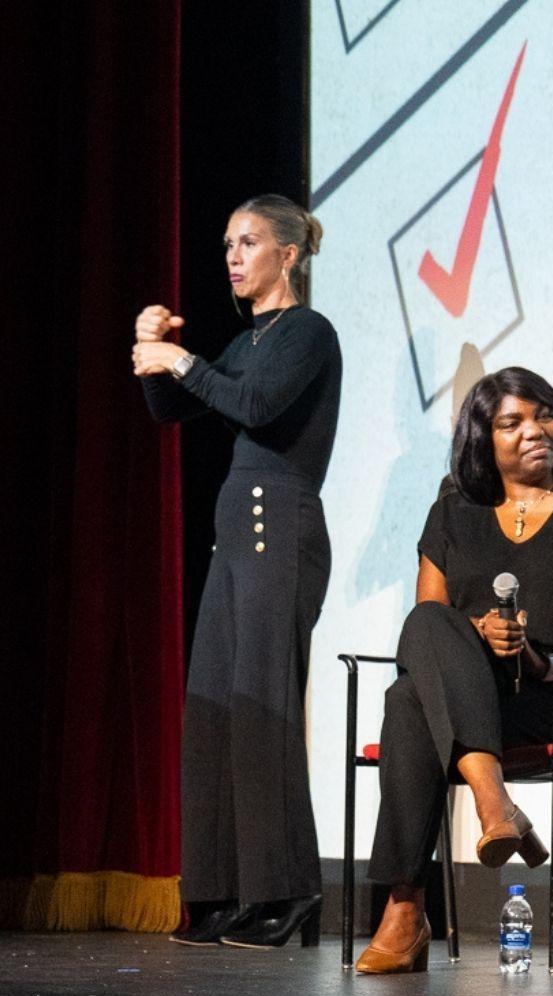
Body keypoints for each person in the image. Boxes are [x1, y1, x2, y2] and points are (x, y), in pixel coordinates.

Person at [353, 367, 553, 974]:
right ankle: (497, 804)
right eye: (512, 422)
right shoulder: (453, 514)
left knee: (409, 704)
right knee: (424, 639)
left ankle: (406, 909)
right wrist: (480, 634)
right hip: (469, 692)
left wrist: (547, 660)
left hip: (551, 696)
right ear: (482, 440)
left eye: (544, 415)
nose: (535, 430)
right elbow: (430, 623)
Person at [134, 194, 341, 948]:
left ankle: (286, 890)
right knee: (216, 711)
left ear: (288, 254)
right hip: (238, 534)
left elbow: (253, 406)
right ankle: (221, 892)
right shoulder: (248, 340)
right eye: (228, 243)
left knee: (263, 708)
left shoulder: (308, 333)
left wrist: (181, 361)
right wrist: (152, 351)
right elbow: (172, 410)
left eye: (247, 242)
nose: (231, 255)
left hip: (279, 526)